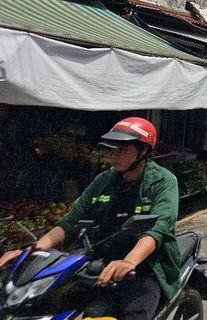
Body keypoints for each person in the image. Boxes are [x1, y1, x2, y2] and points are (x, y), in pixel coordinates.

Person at [0, 117, 182, 320]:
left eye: (123, 150)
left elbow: (157, 228)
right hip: (100, 264)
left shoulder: (163, 181)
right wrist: (30, 253)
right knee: (49, 303)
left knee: (135, 315)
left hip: (145, 268)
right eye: (113, 150)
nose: (114, 155)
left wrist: (129, 261)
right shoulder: (103, 181)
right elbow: (70, 222)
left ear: (144, 151)